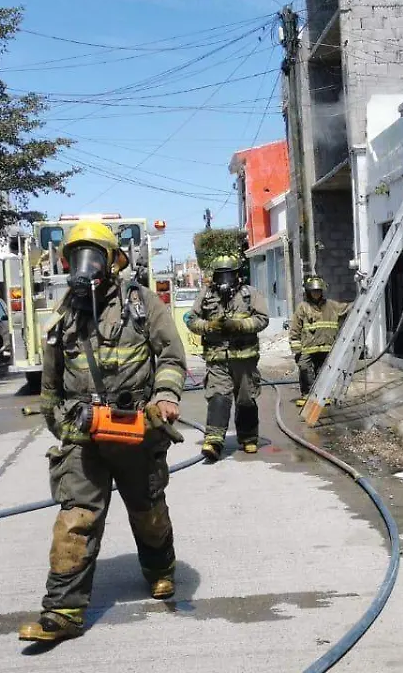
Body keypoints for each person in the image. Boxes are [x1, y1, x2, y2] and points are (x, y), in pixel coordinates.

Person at [19, 221, 188, 643]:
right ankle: (63, 613)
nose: (86, 265)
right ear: (66, 262)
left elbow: (171, 355)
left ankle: (159, 570)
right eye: (79, 255)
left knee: (148, 511)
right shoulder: (65, 316)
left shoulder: (143, 304)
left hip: (136, 433)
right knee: (75, 518)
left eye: (94, 255)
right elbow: (51, 386)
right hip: (85, 439)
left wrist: (165, 396)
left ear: (114, 261)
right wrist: (64, 427)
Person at [186, 254, 269, 459]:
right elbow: (190, 319)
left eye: (229, 275)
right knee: (218, 397)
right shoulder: (205, 295)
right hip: (217, 359)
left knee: (246, 399)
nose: (225, 281)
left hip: (245, 359)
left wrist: (240, 325)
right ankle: (214, 441)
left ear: (237, 275)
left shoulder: (250, 294)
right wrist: (208, 326)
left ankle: (248, 438)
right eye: (221, 276)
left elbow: (262, 319)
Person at [289, 276, 351, 407]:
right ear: (308, 292)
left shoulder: (332, 306)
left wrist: (362, 300)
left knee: (323, 371)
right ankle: (307, 394)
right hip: (307, 348)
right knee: (305, 369)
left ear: (322, 291)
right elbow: (295, 329)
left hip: (326, 348)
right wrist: (296, 350)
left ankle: (323, 394)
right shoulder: (302, 308)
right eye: (313, 291)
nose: (316, 293)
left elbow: (347, 308)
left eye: (318, 291)